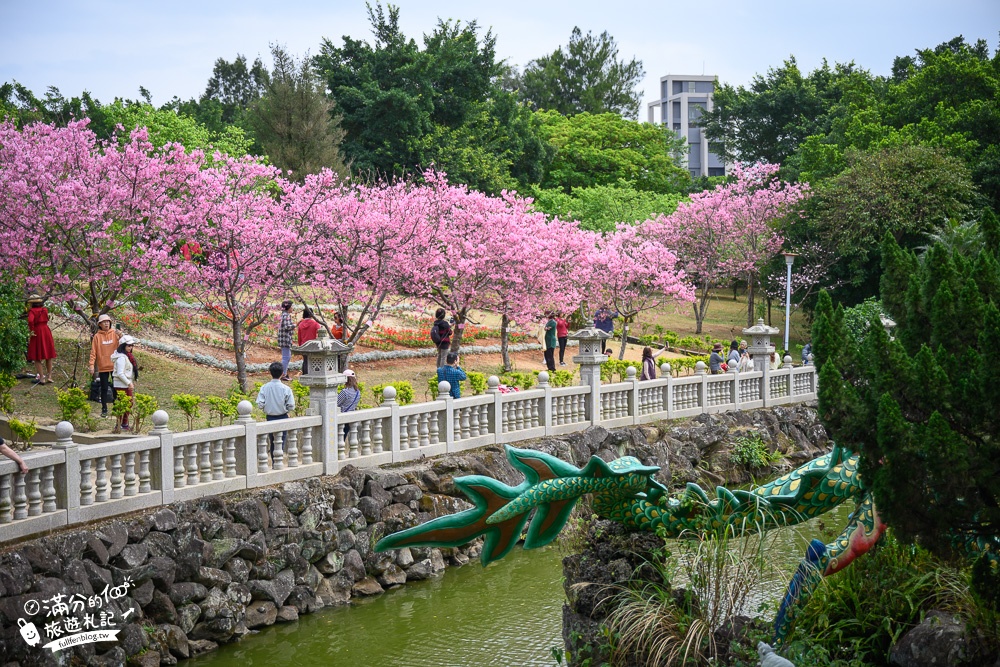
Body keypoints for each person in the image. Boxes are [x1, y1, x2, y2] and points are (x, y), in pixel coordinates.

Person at [256, 361, 295, 460]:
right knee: (281, 441)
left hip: (270, 417)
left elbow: (260, 404)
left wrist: (267, 407)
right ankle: (278, 462)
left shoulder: (264, 387)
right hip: (283, 417)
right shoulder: (286, 389)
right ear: (282, 373)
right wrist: (286, 410)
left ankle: (274, 462)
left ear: (270, 372)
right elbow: (291, 405)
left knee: (273, 440)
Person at [89, 314, 121, 418]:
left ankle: (116, 408)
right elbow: (93, 352)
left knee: (116, 387)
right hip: (103, 366)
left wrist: (121, 335)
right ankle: (104, 409)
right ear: (100, 324)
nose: (106, 323)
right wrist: (91, 365)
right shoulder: (97, 337)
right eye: (104, 322)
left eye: (108, 321)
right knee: (104, 388)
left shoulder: (115, 334)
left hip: (114, 366)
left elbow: (124, 347)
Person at [26, 294, 56, 384]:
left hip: (37, 331)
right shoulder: (44, 310)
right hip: (46, 330)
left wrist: (31, 330)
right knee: (48, 355)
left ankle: (42, 377)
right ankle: (49, 376)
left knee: (36, 356)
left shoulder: (32, 311)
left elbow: (31, 320)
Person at [110, 335, 138, 433]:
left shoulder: (126, 356)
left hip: (125, 383)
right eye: (128, 346)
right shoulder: (121, 358)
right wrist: (128, 383)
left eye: (131, 346)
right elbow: (120, 373)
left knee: (128, 404)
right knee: (124, 404)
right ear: (123, 346)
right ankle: (120, 424)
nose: (130, 348)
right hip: (121, 384)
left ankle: (123, 424)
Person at [337, 369, 361, 442]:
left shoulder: (345, 392)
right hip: (350, 418)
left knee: (338, 439)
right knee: (342, 439)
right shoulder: (358, 392)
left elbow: (336, 403)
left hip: (342, 418)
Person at [297, 308, 320, 375]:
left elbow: (299, 337)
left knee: (305, 361)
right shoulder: (315, 324)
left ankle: (305, 374)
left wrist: (300, 346)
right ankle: (314, 373)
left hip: (304, 345)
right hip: (313, 345)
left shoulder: (301, 324)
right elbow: (320, 332)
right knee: (314, 360)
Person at [277, 300, 295, 381]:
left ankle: (284, 373)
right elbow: (287, 327)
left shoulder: (284, 315)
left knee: (287, 357)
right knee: (286, 357)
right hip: (285, 339)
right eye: (291, 306)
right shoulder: (286, 315)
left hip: (284, 339)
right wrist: (296, 325)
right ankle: (283, 374)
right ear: (288, 307)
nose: (293, 308)